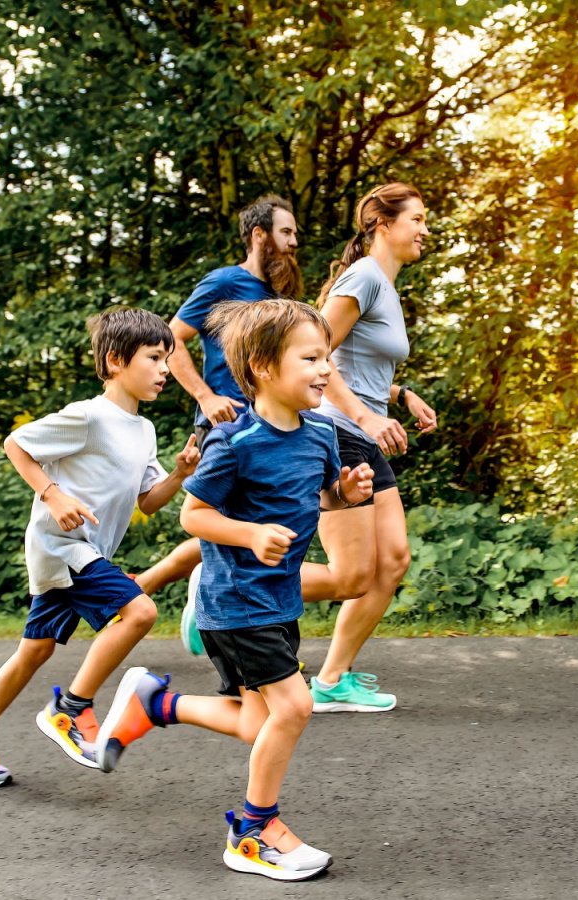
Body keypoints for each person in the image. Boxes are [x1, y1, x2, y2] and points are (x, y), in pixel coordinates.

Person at [86, 300, 374, 880]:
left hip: (279, 600)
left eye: (327, 358)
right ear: (265, 366)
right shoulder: (235, 441)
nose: (325, 370)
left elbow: (319, 499)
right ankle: (253, 830)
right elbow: (194, 515)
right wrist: (248, 534)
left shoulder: (319, 434)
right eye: (311, 358)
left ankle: (155, 703)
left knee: (254, 722)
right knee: (294, 706)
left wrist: (345, 493)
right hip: (237, 602)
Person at [0, 307, 201, 788]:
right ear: (118, 360)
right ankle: (71, 708)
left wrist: (180, 474)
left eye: (167, 359)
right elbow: (16, 443)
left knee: (33, 652)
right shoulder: (89, 417)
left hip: (82, 550)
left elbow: (148, 501)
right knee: (140, 612)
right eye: (155, 358)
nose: (165, 369)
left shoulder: (143, 430)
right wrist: (52, 494)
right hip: (61, 546)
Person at [136, 195, 365, 624]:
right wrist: (205, 396)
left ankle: (243, 629)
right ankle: (203, 606)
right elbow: (172, 336)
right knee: (221, 522)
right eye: (286, 232)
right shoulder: (224, 282)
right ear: (259, 236)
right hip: (230, 425)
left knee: (265, 522)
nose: (294, 241)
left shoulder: (276, 299)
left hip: (276, 425)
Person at [307, 183, 439, 714]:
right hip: (338, 432)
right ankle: (220, 592)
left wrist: (399, 394)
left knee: (393, 562)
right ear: (384, 225)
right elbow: (314, 355)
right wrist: (364, 414)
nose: (426, 229)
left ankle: (332, 680)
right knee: (351, 573)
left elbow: (358, 368)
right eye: (418, 219)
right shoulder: (363, 276)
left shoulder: (383, 284)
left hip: (362, 431)